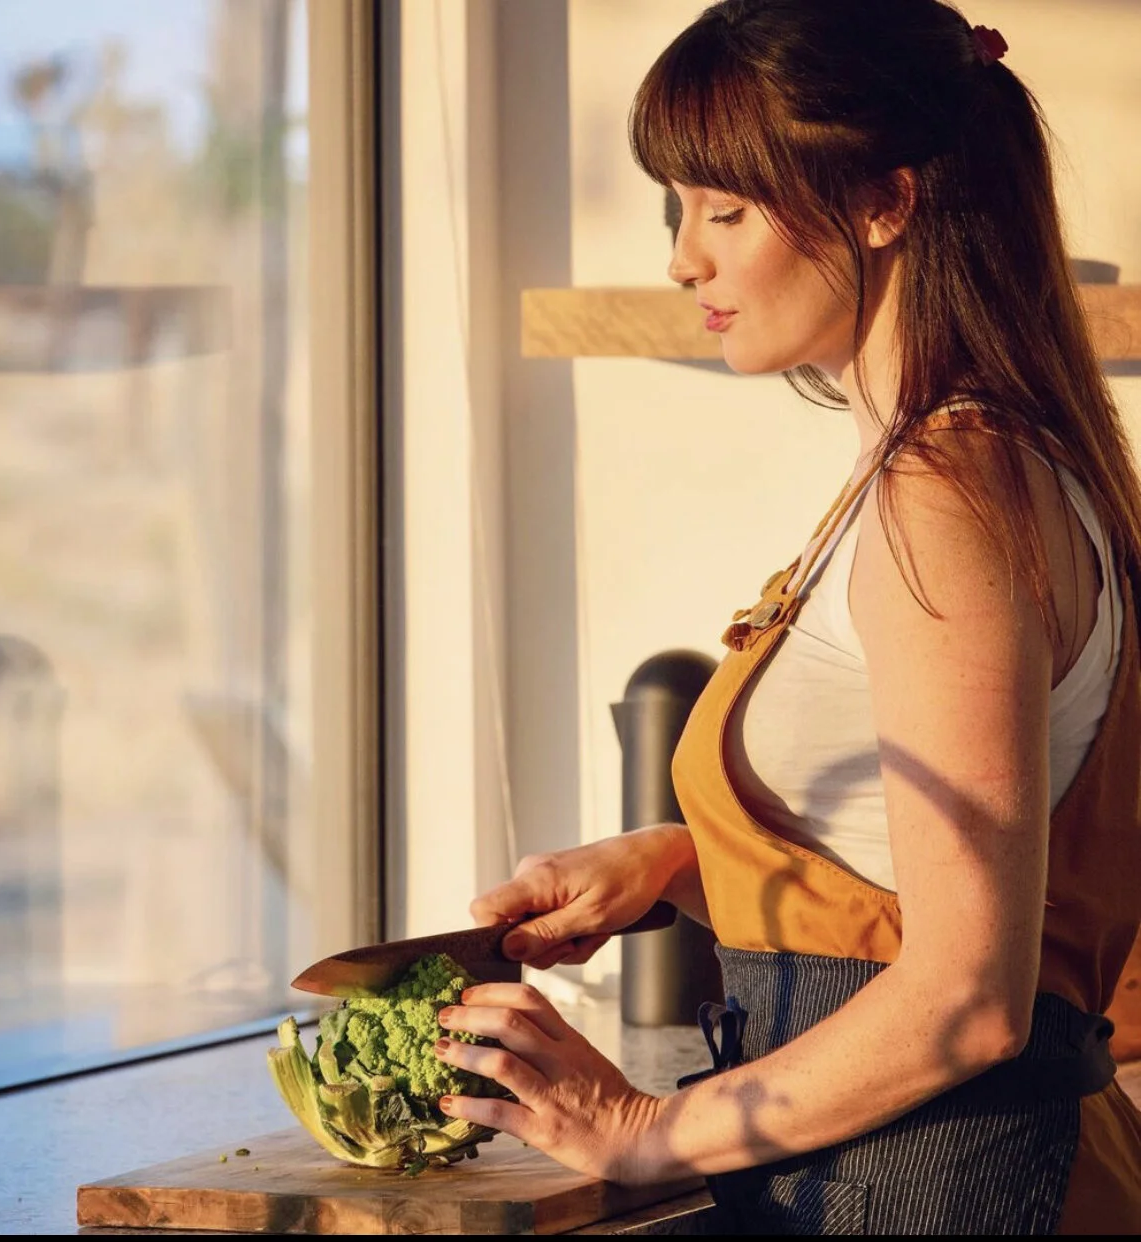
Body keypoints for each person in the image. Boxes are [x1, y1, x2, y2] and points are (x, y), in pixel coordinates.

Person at [430, 1, 1141, 1233]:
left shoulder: (946, 495)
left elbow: (969, 992)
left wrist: (642, 1130)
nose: (681, 258)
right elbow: (926, 871)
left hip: (946, 1192)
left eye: (727, 209)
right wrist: (677, 863)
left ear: (885, 204)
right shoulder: (971, 467)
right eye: (677, 207)